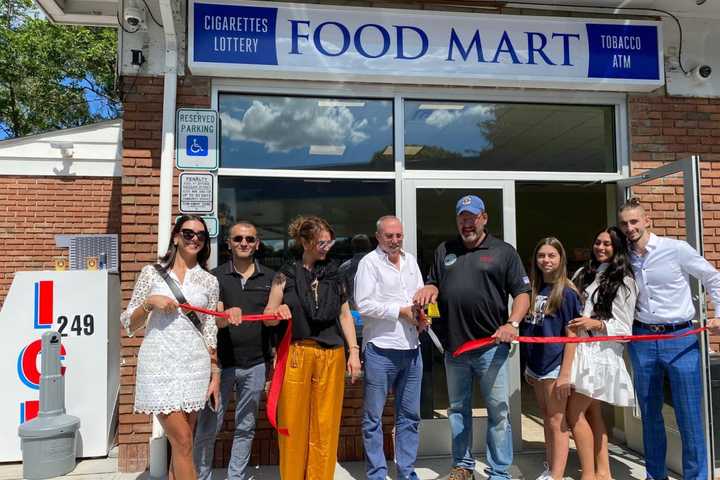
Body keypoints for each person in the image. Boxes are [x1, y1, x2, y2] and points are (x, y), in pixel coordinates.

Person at [413, 195, 531, 480]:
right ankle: (462, 466)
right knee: (457, 409)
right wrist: (429, 290)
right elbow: (434, 283)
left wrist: (512, 323)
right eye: (462, 218)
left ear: (484, 218)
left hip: (492, 346)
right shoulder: (445, 250)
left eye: (472, 217)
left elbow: (523, 294)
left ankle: (499, 471)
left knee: (498, 410)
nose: (467, 223)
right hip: (455, 348)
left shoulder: (504, 251)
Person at [618, 197, 720, 480]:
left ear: (647, 219)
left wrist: (719, 315)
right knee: (650, 417)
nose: (630, 228)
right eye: (625, 223)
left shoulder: (676, 249)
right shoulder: (623, 257)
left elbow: (713, 278)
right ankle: (655, 475)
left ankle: (696, 476)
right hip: (642, 340)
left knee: (689, 416)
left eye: (634, 221)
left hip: (681, 339)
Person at [120, 215, 220, 480]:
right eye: (188, 233)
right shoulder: (151, 273)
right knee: (184, 439)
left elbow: (209, 329)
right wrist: (150, 302)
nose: (194, 238)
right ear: (176, 236)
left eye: (200, 235)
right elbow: (129, 323)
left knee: (182, 444)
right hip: (160, 365)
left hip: (195, 366)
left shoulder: (209, 281)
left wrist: (215, 372)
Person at [265, 215, 362, 480]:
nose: (327, 247)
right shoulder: (285, 275)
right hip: (296, 353)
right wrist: (278, 311)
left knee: (325, 425)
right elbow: (268, 315)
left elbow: (345, 316)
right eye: (321, 242)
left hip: (332, 355)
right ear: (305, 241)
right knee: (293, 425)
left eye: (329, 242)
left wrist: (354, 351)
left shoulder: (336, 274)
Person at [193, 221, 276, 480]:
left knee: (246, 427)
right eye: (238, 238)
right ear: (228, 243)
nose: (244, 243)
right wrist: (224, 315)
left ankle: (235, 477)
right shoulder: (215, 277)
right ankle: (201, 476)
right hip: (220, 365)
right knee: (209, 427)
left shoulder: (271, 278)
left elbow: (273, 322)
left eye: (250, 239)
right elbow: (211, 322)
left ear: (257, 244)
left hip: (256, 364)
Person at [354, 216, 425, 480]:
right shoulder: (369, 263)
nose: (395, 241)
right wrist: (401, 311)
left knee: (410, 416)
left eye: (398, 236)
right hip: (381, 350)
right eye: (389, 236)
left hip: (412, 348)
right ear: (378, 237)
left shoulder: (411, 261)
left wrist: (421, 313)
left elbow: (418, 295)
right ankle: (377, 473)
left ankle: (406, 472)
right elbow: (364, 305)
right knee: (373, 418)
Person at [567, 227, 637, 480]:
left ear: (618, 248)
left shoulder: (624, 281)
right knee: (591, 412)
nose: (601, 247)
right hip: (582, 350)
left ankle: (589, 475)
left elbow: (625, 328)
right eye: (598, 242)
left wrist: (595, 324)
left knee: (573, 414)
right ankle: (603, 472)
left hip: (601, 355)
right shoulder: (583, 273)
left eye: (608, 244)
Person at [523, 238, 582, 480]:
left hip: (554, 365)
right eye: (541, 256)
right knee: (547, 418)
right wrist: (528, 366)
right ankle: (550, 468)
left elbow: (572, 334)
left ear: (561, 259)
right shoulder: (533, 290)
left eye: (551, 256)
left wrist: (565, 373)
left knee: (558, 421)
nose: (546, 260)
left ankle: (557, 475)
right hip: (536, 366)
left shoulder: (567, 293)